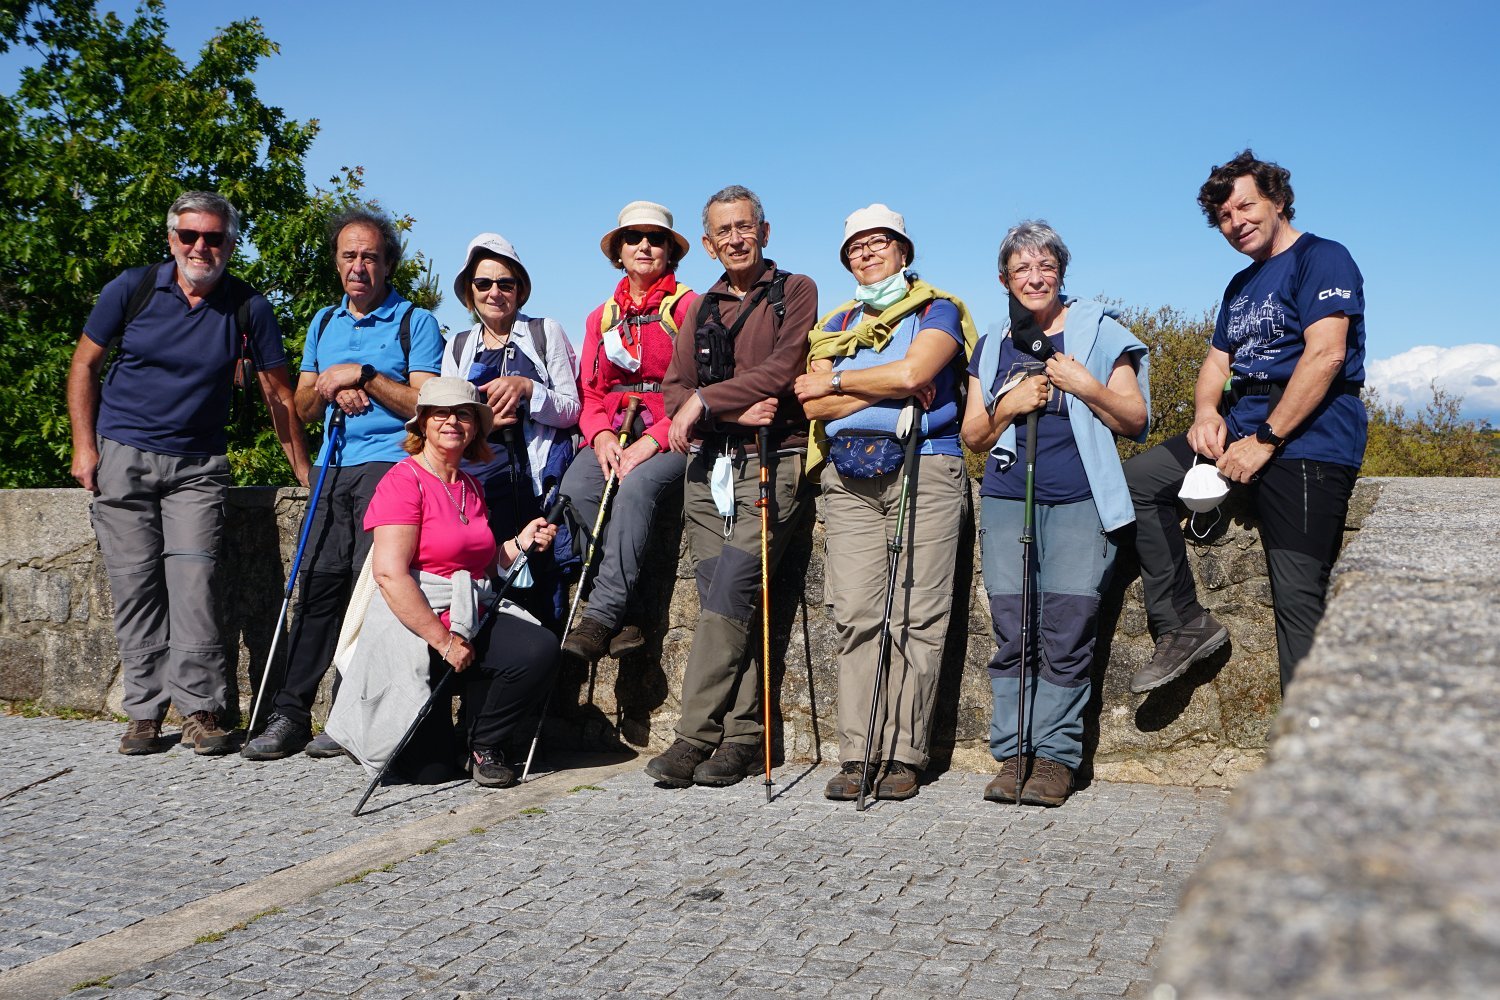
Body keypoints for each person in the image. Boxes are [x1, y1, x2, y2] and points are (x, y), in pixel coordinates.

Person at [67, 191, 310, 756]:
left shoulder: (248, 306)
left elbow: (279, 394)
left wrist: (302, 469)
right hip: (123, 452)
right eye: (190, 236)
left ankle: (202, 710)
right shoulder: (131, 288)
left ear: (230, 243)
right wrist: (85, 447)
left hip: (199, 465)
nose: (201, 246)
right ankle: (145, 714)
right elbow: (84, 364)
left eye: (214, 237)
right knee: (134, 586)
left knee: (195, 584)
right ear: (171, 238)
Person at [1125, 150, 1367, 694]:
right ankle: (1184, 623)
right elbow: (1217, 363)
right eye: (1224, 218)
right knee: (1137, 485)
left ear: (1278, 200)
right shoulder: (1241, 285)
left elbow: (1326, 356)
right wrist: (1206, 413)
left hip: (1310, 441)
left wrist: (1266, 439)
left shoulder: (1323, 258)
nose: (1236, 223)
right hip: (1240, 425)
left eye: (1246, 206)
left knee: (1298, 595)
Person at [242, 206, 444, 761]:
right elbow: (301, 407)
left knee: (372, 597)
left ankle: (350, 717)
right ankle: (290, 713)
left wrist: (367, 378)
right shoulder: (324, 323)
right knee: (319, 591)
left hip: (391, 467)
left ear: (388, 265)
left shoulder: (415, 321)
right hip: (334, 467)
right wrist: (332, 387)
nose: (359, 266)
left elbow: (424, 403)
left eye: (370, 257)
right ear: (336, 263)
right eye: (349, 256)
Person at [793, 204, 978, 802]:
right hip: (848, 477)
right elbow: (811, 403)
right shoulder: (836, 321)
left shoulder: (938, 309)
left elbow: (914, 372)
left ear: (904, 251)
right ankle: (857, 752)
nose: (867, 254)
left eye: (880, 243)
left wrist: (845, 381)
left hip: (926, 463)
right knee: (854, 612)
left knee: (917, 614)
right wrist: (886, 380)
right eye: (857, 247)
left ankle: (903, 753)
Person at [961, 220, 1149, 807]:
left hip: (1079, 500)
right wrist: (1009, 404)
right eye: (1022, 269)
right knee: (1014, 630)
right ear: (1004, 280)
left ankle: (1055, 758)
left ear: (1062, 274)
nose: (1035, 277)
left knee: (1066, 631)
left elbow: (1134, 420)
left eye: (1045, 267)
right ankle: (1012, 753)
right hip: (1006, 498)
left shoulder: (1102, 334)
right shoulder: (992, 343)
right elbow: (973, 434)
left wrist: (1084, 385)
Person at [644, 185, 818, 789]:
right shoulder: (702, 307)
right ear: (711, 243)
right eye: (724, 232)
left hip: (774, 461)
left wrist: (704, 402)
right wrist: (727, 412)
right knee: (727, 599)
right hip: (709, 466)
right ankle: (743, 738)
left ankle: (693, 736)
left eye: (746, 227)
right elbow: (673, 390)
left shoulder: (794, 291)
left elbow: (783, 369)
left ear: (764, 232)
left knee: (730, 594)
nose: (736, 239)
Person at [326, 378, 560, 787]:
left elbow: (483, 564)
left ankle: (482, 744)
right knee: (429, 773)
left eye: (464, 413)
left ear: (475, 426)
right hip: (415, 625)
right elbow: (389, 574)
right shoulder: (403, 481)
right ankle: (391, 729)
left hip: (466, 610)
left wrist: (520, 543)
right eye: (441, 413)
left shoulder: (470, 486)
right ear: (422, 424)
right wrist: (444, 641)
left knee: (535, 649)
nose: (452, 421)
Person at [559, 201, 697, 662]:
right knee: (577, 488)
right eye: (633, 237)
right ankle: (625, 608)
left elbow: (699, 386)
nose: (643, 245)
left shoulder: (690, 308)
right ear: (618, 251)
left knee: (636, 487)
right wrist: (598, 435)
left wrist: (653, 439)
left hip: (674, 428)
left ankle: (598, 619)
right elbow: (590, 391)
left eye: (655, 239)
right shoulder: (601, 317)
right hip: (615, 428)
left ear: (669, 252)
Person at [442, 233, 580, 634]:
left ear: (520, 289)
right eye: (483, 284)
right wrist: (481, 420)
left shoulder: (543, 331)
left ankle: (539, 678)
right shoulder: (458, 346)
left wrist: (527, 388)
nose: (495, 292)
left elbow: (572, 409)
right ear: (470, 291)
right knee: (484, 591)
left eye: (505, 283)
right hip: (480, 488)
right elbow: (445, 419)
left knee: (542, 592)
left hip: (534, 487)